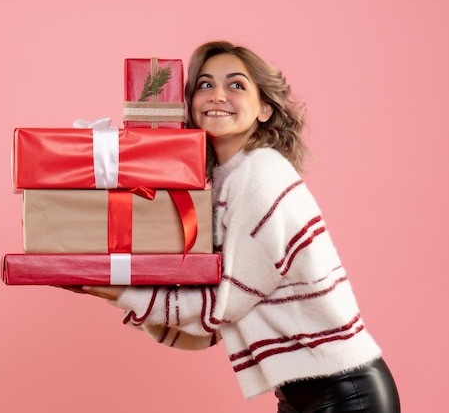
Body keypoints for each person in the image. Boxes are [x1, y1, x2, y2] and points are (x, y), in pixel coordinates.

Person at [63, 40, 401, 412]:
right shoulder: (227, 180)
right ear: (190, 106)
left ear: (265, 110)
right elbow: (207, 328)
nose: (217, 95)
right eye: (205, 85)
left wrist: (111, 287)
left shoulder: (260, 175)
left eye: (236, 85)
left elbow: (220, 306)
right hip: (305, 393)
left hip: (346, 394)